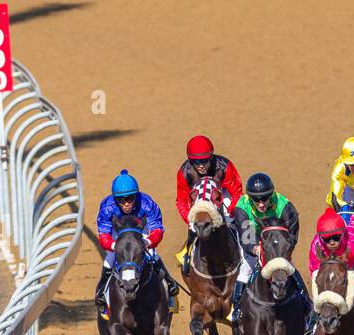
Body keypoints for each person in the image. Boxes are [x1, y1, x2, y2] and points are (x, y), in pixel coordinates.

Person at [229, 172, 310, 324]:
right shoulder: (242, 206)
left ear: (271, 194)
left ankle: (307, 306)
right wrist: (258, 251)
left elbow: (292, 237)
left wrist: (281, 253)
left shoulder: (284, 206)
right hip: (254, 244)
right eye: (256, 199)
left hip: (278, 245)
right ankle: (237, 309)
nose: (261, 203)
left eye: (265, 198)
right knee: (246, 269)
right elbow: (247, 241)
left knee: (289, 268)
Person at [94, 169, 177, 319]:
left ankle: (170, 285)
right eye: (121, 200)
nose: (126, 203)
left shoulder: (146, 202)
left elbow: (157, 229)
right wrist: (115, 246)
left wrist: (148, 242)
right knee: (111, 257)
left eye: (130, 198)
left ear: (136, 195)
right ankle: (101, 291)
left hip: (140, 230)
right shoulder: (107, 207)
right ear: (115, 199)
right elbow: (104, 235)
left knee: (152, 254)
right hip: (117, 233)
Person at [175, 134, 244, 279]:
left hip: (221, 196)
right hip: (198, 200)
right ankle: (187, 255)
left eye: (204, 160)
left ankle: (247, 254)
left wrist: (230, 212)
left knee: (240, 224)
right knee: (197, 225)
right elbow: (181, 201)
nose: (200, 165)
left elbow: (237, 192)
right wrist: (191, 220)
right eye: (195, 161)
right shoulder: (184, 172)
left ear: (211, 157)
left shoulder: (224, 166)